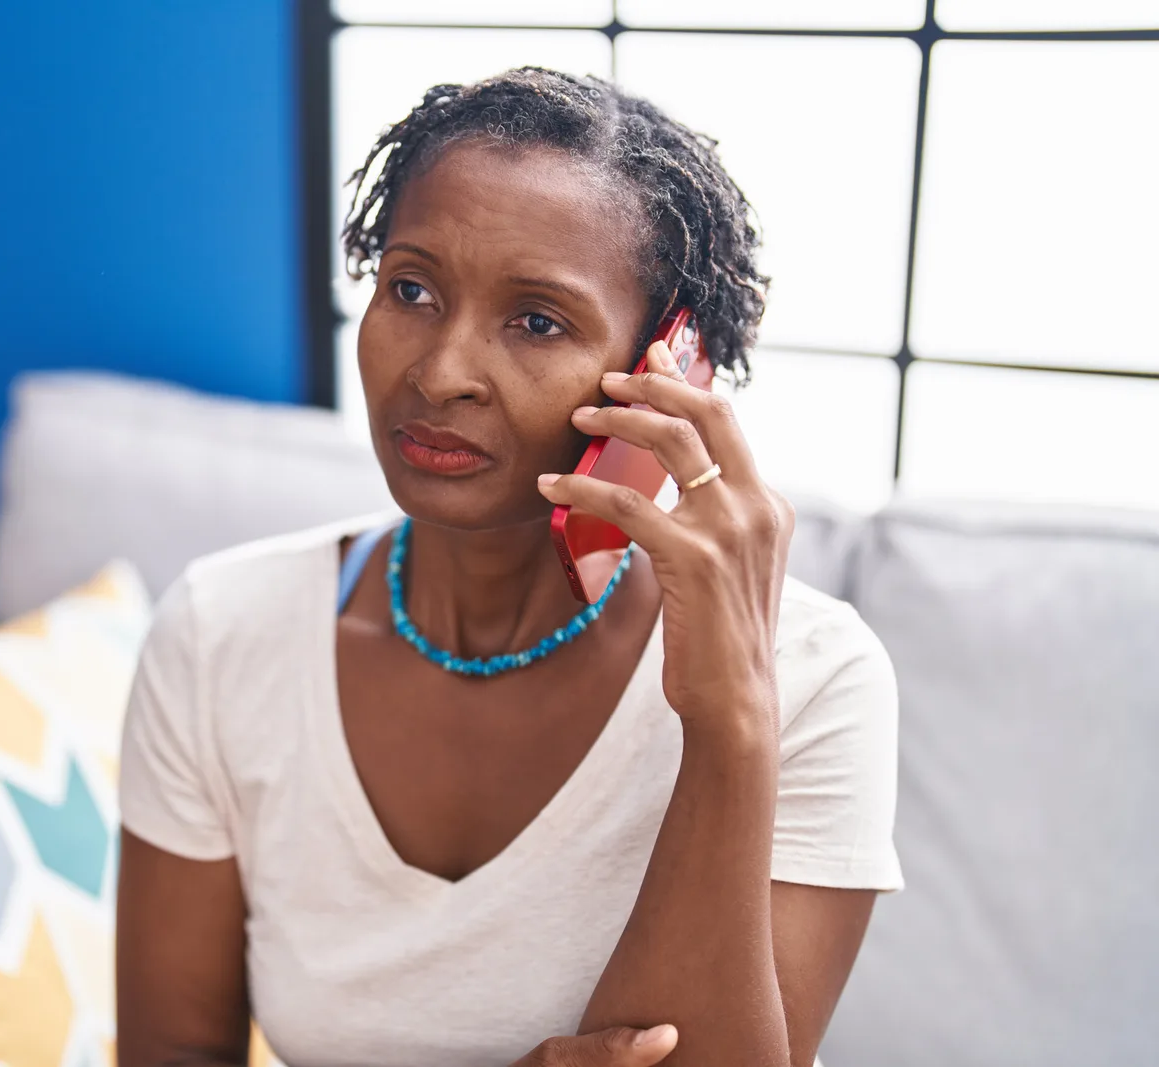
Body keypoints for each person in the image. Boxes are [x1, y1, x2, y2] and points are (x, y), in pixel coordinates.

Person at [116, 68, 901, 1067]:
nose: (440, 373)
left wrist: (733, 720)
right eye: (410, 289)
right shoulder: (221, 630)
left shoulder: (814, 676)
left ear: (669, 368)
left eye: (536, 320)